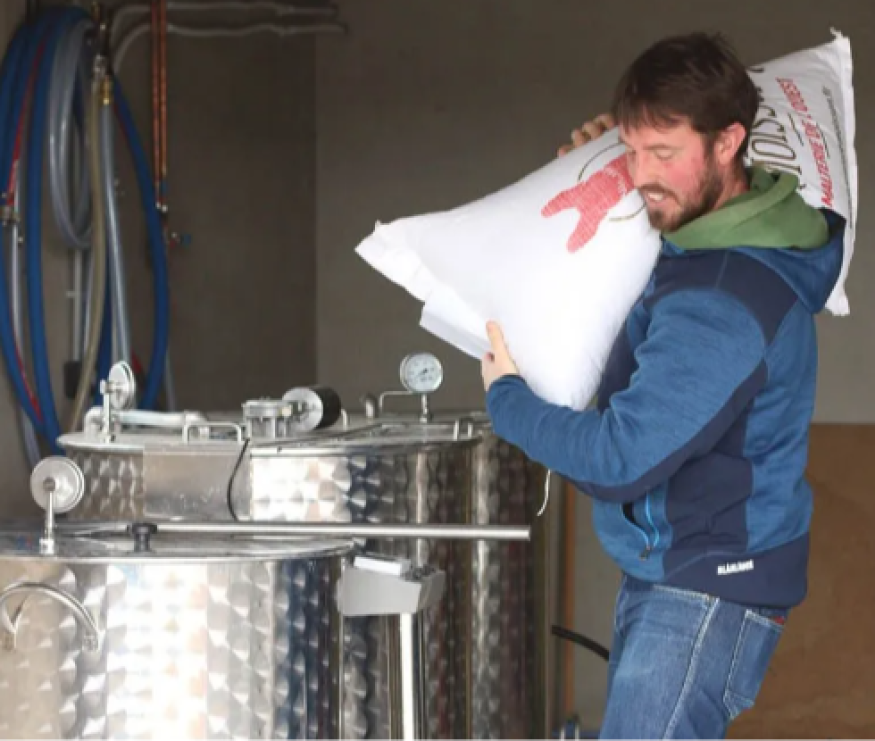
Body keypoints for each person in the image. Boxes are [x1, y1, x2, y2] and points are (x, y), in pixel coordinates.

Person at [481, 32, 845, 740]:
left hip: (705, 590)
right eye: (632, 149)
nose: (643, 173)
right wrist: (602, 163)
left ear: (728, 142)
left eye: (664, 152)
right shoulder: (714, 224)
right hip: (680, 568)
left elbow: (621, 458)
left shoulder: (724, 299)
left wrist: (509, 400)